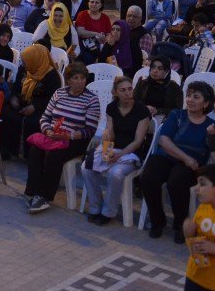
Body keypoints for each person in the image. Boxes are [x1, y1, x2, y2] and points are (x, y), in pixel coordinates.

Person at [140, 81, 215, 243]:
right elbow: (164, 140)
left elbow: (213, 151)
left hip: (192, 166)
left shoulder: (212, 126)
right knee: (148, 177)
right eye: (188, 96)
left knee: (176, 182)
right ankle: (157, 220)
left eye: (196, 97)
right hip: (169, 156)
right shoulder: (177, 115)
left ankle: (180, 224)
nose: (190, 100)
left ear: (207, 103)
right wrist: (186, 158)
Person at [23, 63, 99, 213]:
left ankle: (44, 196)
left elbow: (90, 130)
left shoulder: (91, 100)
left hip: (75, 140)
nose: (80, 81)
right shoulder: (59, 93)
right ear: (68, 80)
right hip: (53, 136)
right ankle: (33, 191)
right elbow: (45, 116)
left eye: (83, 78)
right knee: (35, 151)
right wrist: (48, 130)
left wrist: (68, 135)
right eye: (76, 78)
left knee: (55, 156)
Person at [82, 75, 150, 226]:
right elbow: (110, 134)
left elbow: (138, 141)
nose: (127, 93)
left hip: (131, 151)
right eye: (123, 90)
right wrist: (107, 146)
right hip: (114, 146)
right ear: (115, 93)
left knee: (115, 173)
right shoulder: (111, 108)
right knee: (86, 167)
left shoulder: (142, 110)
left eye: (130, 89)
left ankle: (108, 211)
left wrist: (119, 154)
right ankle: (95, 206)